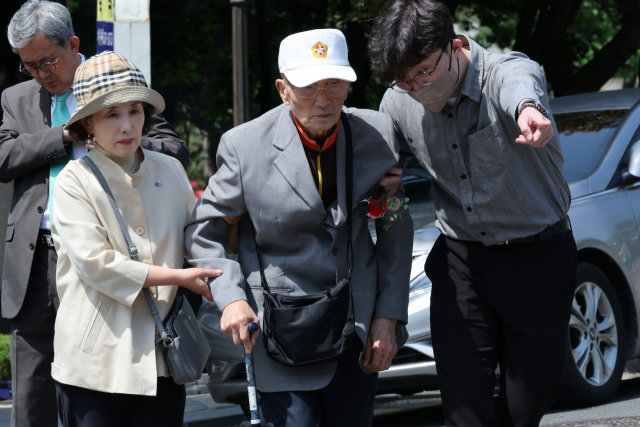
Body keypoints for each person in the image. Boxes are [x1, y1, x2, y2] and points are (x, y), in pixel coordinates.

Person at [186, 29, 413, 427]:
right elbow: (204, 231)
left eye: (334, 85)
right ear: (283, 89)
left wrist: (388, 317)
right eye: (308, 88)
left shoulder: (376, 133)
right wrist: (231, 297)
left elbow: (395, 224)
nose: (323, 100)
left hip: (356, 324)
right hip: (280, 327)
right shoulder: (245, 146)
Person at [368, 1, 578, 426]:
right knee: (464, 407)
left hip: (538, 255)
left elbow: (520, 84)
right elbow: (378, 166)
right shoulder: (398, 102)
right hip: (462, 261)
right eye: (404, 80)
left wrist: (528, 112)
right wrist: (380, 182)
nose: (418, 87)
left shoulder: (504, 72)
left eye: (425, 72)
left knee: (524, 407)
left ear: (456, 46)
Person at [0, 2, 189, 426]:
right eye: (29, 67)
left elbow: (172, 148)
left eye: (48, 61)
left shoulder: (118, 85)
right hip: (38, 257)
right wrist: (64, 137)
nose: (41, 74)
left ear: (73, 43)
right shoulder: (16, 98)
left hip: (112, 251)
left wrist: (109, 135)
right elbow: (3, 157)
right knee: (32, 396)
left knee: (103, 377)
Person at [49, 51, 218, 427]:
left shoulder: (171, 169)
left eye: (135, 111)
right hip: (95, 362)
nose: (127, 125)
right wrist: (178, 278)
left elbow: (198, 238)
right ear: (88, 123)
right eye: (111, 114)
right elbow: (96, 264)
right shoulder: (74, 180)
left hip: (163, 357)